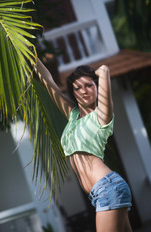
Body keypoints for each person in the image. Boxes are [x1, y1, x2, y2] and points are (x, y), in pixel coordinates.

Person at [35, 58, 133, 232]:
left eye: (89, 85)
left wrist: (101, 72)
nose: (84, 91)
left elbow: (104, 75)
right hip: (102, 192)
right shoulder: (73, 116)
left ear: (96, 87)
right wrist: (31, 54)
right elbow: (48, 82)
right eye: (78, 88)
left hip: (107, 187)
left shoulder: (101, 115)